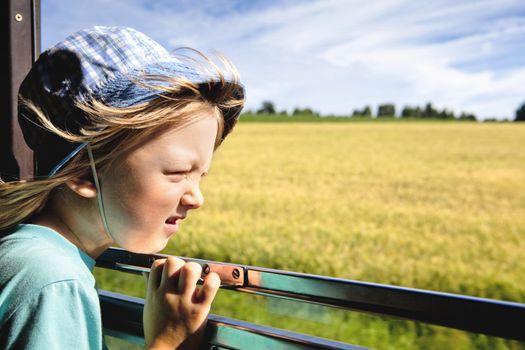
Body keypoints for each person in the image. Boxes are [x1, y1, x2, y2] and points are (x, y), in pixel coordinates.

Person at [0, 26, 244, 349]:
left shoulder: (35, 257)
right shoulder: (51, 281)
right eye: (177, 172)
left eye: (200, 176)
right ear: (83, 172)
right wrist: (167, 342)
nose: (197, 198)